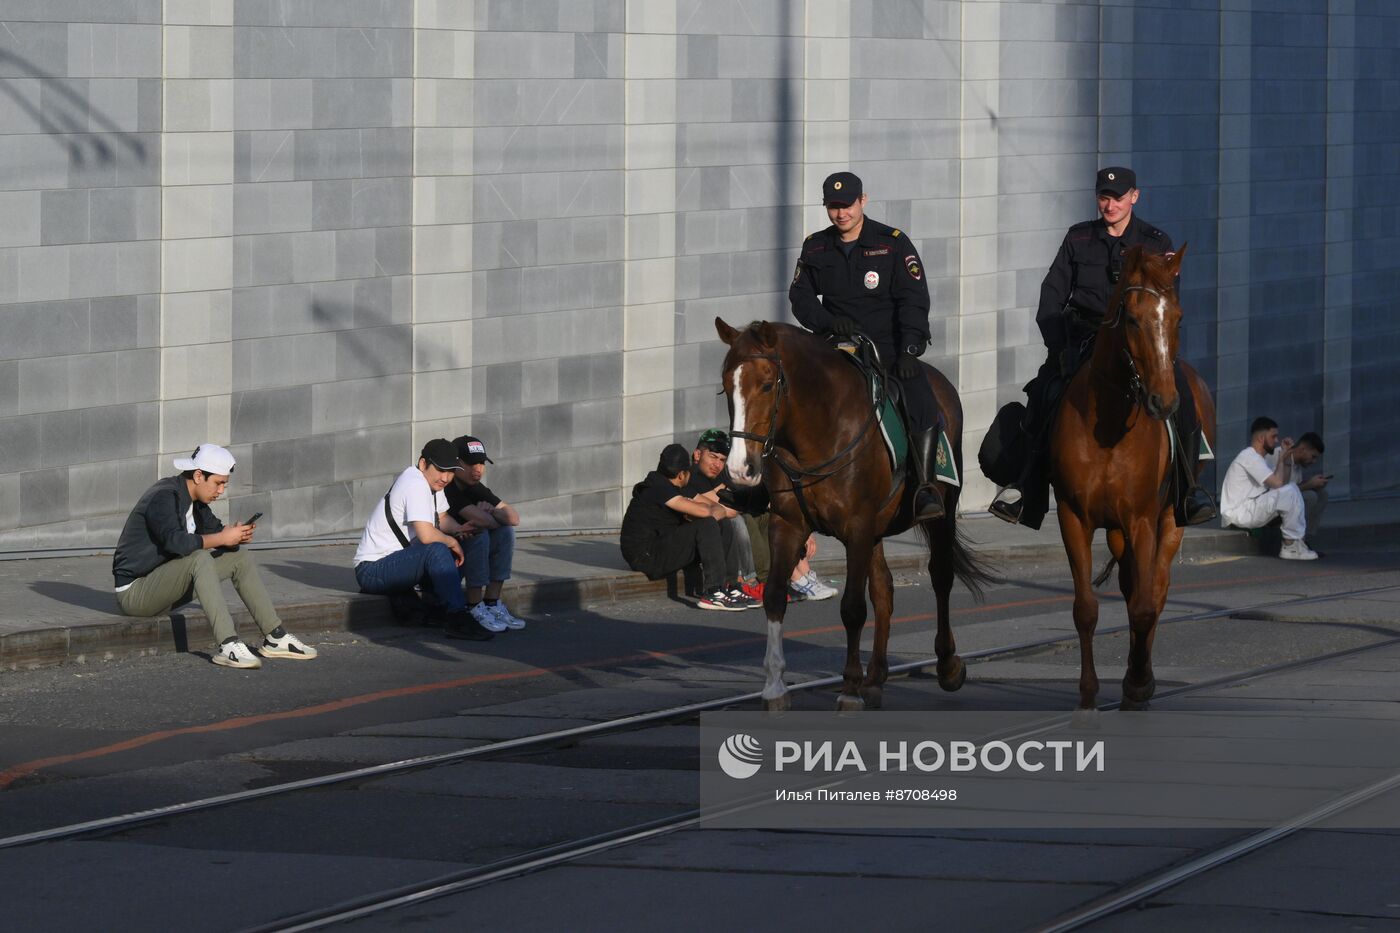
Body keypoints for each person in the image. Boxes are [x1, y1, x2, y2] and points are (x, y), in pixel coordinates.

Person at [988, 166, 1216, 529]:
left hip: (1141, 343)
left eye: (1118, 198)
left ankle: (1189, 490)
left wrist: (1157, 345)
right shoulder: (1078, 238)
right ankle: (1025, 488)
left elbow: (1168, 305)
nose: (1110, 205)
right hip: (1082, 340)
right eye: (1104, 198)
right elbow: (1051, 296)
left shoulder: (1156, 243)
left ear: (1134, 197)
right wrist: (1057, 345)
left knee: (1182, 395)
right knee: (1044, 393)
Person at [789, 171, 945, 522]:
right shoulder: (815, 245)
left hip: (887, 347)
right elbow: (799, 296)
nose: (840, 214)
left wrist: (910, 349)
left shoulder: (892, 242)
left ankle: (925, 486)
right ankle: (770, 484)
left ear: (863, 201)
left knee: (920, 395)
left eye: (846, 205)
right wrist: (827, 322)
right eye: (833, 206)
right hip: (833, 346)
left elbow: (913, 298)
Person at [112, 444, 317, 669]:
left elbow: (216, 534)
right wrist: (222, 538)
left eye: (224, 484)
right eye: (218, 483)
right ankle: (228, 644)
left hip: (164, 587)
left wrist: (236, 536)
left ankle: (275, 637)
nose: (221, 491)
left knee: (239, 557)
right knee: (200, 558)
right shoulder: (164, 496)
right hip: (135, 593)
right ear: (199, 476)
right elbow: (176, 542)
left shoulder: (197, 503)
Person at [353, 439, 497, 641]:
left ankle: (470, 605)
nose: (446, 478)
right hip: (372, 570)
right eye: (441, 470)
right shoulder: (414, 483)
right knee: (436, 548)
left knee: (472, 539)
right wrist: (452, 541)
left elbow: (443, 518)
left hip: (400, 563)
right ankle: (456, 617)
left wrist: (459, 530)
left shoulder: (432, 485)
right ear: (423, 464)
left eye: (451, 471)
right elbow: (427, 535)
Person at [686, 429, 836, 602]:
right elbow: (729, 509)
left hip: (739, 516)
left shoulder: (720, 476)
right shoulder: (693, 477)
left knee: (779, 517)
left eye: (722, 460)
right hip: (720, 526)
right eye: (713, 457)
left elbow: (745, 500)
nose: (717, 464)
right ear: (697, 454)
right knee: (743, 520)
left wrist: (805, 532)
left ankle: (804, 575)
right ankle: (784, 579)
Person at [619, 443, 757, 611]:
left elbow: (722, 511)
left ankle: (731, 586)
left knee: (723, 523)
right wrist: (702, 510)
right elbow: (705, 511)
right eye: (689, 472)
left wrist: (705, 509)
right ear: (681, 474)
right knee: (706, 523)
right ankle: (713, 592)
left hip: (662, 545)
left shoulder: (680, 487)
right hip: (644, 555)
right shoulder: (657, 487)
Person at [444, 435, 525, 633]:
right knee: (479, 534)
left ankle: (492, 603)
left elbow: (513, 518)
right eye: (471, 463)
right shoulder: (449, 487)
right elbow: (484, 522)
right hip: (443, 562)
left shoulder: (476, 488)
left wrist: (493, 511)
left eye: (481, 462)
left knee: (505, 531)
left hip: (463, 557)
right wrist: (490, 515)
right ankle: (474, 606)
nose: (478, 469)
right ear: (457, 464)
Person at [1219, 417, 1319, 560]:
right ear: (1261, 438)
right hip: (1239, 513)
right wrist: (1281, 458)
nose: (1277, 440)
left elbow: (1283, 484)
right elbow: (1279, 484)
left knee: (1291, 489)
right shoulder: (1249, 456)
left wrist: (1287, 456)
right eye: (1273, 436)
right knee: (1290, 491)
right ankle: (1290, 546)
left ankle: (1295, 543)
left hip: (1250, 507)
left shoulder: (1258, 459)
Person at [1264, 427, 1330, 547]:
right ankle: (1295, 541)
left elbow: (1293, 488)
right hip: (1266, 506)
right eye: (1313, 456)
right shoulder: (1277, 456)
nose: (1313, 461)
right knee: (1310, 496)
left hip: (1282, 505)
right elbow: (1278, 491)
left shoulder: (1298, 465)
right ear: (1303, 449)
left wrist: (1312, 484)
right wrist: (1308, 485)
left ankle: (1305, 539)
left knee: (1322, 494)